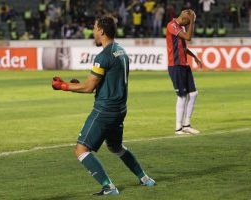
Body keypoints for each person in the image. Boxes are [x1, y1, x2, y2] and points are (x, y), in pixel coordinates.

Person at [51, 16, 155, 195]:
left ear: (101, 31)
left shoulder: (103, 56)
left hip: (105, 111)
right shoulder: (121, 51)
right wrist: (76, 84)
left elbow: (89, 87)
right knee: (115, 147)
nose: (93, 31)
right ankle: (145, 178)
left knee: (81, 150)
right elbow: (99, 84)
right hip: (120, 109)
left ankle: (109, 187)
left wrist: (64, 86)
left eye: (94, 27)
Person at [166, 9, 203, 135]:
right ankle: (178, 128)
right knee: (182, 96)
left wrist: (195, 57)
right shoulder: (172, 26)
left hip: (184, 65)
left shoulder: (181, 27)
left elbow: (184, 47)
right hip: (175, 66)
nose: (189, 25)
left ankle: (186, 124)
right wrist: (192, 20)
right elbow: (189, 38)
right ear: (186, 19)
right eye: (189, 21)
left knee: (193, 94)